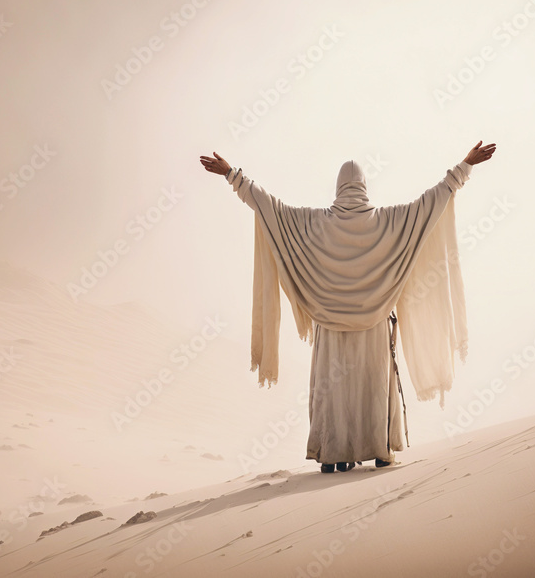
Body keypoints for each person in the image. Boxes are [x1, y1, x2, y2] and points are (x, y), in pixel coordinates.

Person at [200, 142, 496, 473]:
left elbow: (270, 208)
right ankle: (381, 451)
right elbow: (432, 202)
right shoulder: (389, 221)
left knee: (333, 393)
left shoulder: (314, 224)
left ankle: (333, 455)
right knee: (374, 387)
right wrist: (465, 166)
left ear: (339, 187)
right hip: (374, 325)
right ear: (364, 187)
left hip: (329, 326)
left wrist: (232, 175)